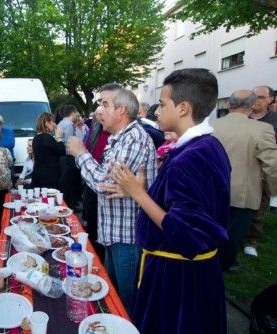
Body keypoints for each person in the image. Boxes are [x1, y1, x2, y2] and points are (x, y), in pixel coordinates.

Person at [103, 68, 230, 333]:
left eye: (162, 104)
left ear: (183, 108)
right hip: (188, 273)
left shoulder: (191, 157)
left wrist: (138, 194)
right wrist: (141, 192)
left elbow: (184, 232)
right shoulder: (205, 146)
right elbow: (183, 207)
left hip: (178, 279)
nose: (156, 112)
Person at [67, 86, 157, 314]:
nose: (98, 110)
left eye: (104, 104)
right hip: (116, 234)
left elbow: (102, 184)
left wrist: (80, 153)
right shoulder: (120, 139)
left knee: (126, 304)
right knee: (112, 298)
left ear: (122, 111)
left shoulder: (133, 140)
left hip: (128, 237)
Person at [212, 90, 277, 271]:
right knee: (234, 234)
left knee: (214, 228)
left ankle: (210, 260)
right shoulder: (262, 129)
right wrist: (273, 191)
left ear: (229, 104)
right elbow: (272, 164)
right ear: (251, 105)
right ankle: (227, 264)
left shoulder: (214, 125)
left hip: (215, 189)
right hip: (244, 193)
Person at [245, 85, 277, 257]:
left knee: (260, 205)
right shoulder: (243, 118)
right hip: (242, 166)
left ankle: (252, 241)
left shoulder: (274, 119)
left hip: (263, 169)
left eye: (261, 97)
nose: (256, 100)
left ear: (270, 99)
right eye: (254, 96)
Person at [82, 104, 112, 263]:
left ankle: (98, 260)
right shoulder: (96, 130)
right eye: (98, 114)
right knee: (93, 225)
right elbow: (87, 150)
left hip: (101, 182)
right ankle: (94, 258)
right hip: (90, 182)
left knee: (99, 227)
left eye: (104, 112)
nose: (100, 116)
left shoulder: (114, 134)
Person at [31, 112, 65, 189]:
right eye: (52, 121)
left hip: (38, 174)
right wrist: (59, 137)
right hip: (49, 176)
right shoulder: (47, 138)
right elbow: (62, 151)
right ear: (46, 123)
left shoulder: (36, 138)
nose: (55, 124)